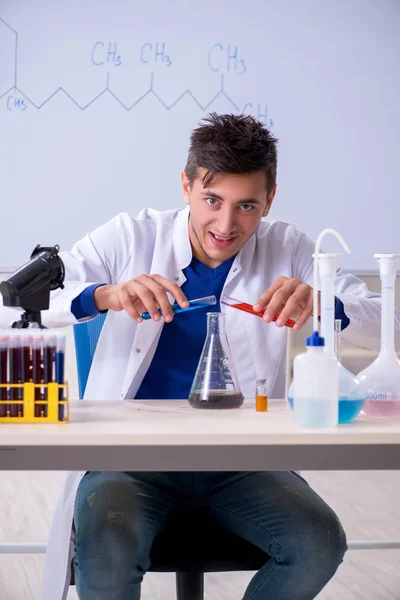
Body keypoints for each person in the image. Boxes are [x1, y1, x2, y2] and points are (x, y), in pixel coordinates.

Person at [42, 113, 394, 600]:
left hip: (241, 457)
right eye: (212, 201)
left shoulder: (288, 247)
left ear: (270, 199)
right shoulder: (130, 236)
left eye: (247, 206)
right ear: (185, 185)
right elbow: (23, 299)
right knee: (106, 549)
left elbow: (385, 323)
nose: (226, 226)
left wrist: (323, 301)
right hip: (130, 455)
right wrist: (105, 295)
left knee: (317, 542)